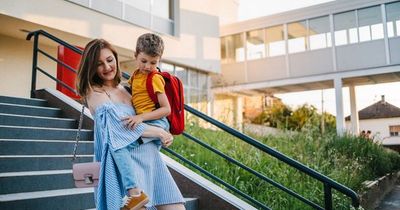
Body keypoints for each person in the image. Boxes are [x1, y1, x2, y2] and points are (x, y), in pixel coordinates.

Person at [76, 38, 185, 210]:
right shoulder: (94, 93)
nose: (107, 67)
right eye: (99, 64)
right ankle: (134, 192)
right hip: (125, 170)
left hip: (151, 162)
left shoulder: (128, 88)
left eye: (110, 60)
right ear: (91, 68)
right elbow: (118, 129)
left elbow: (151, 114)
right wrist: (158, 133)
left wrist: (163, 130)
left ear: (116, 59)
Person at [125, 33, 170, 146]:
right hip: (143, 121)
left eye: (153, 62)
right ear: (135, 56)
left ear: (159, 60)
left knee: (128, 144)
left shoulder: (155, 78)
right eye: (143, 61)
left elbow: (166, 109)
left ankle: (164, 134)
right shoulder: (135, 75)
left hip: (156, 122)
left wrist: (140, 117)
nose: (148, 66)